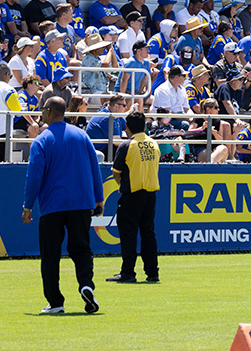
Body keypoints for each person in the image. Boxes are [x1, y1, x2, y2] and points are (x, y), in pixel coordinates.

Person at [21, 96, 104, 315]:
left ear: (48, 111)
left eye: (42, 109)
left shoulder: (42, 140)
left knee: (50, 254)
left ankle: (56, 302)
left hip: (53, 205)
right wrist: (99, 199)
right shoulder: (82, 135)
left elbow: (34, 177)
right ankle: (86, 284)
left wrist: (27, 205)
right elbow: (95, 168)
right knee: (82, 248)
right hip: (81, 203)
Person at [107, 110, 160, 284]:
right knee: (148, 233)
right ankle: (153, 272)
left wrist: (123, 186)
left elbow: (116, 172)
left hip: (132, 194)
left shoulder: (127, 145)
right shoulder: (154, 144)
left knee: (128, 234)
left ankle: (128, 272)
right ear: (144, 125)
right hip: (150, 195)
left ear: (127, 128)